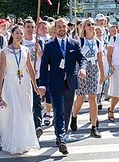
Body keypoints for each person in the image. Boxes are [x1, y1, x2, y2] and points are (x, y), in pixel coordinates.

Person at [39, 18, 87, 155]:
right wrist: (42, 84)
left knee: (67, 111)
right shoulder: (49, 45)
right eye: (59, 26)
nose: (61, 29)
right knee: (58, 111)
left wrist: (82, 69)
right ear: (55, 28)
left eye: (64, 26)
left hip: (70, 82)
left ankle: (62, 135)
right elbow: (43, 66)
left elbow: (82, 59)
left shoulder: (74, 43)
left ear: (67, 28)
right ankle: (61, 138)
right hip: (55, 83)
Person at [0, 26, 40, 154]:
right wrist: (0, 88)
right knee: (14, 110)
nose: (19, 35)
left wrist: (35, 85)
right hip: (11, 82)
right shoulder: (5, 51)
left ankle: (24, 140)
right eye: (17, 33)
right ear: (12, 34)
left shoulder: (26, 50)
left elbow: (29, 68)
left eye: (21, 33)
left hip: (24, 82)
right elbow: (1, 70)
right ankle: (12, 140)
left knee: (24, 111)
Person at [70, 18, 104, 138]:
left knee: (93, 97)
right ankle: (74, 116)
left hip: (94, 69)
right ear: (84, 27)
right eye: (88, 24)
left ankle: (94, 126)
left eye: (93, 24)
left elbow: (100, 59)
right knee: (80, 97)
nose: (91, 26)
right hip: (82, 69)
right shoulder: (79, 41)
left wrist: (103, 74)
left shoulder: (98, 42)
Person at [22, 19, 44, 138]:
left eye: (32, 27)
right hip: (25, 76)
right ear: (24, 28)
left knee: (37, 102)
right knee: (25, 102)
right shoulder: (21, 42)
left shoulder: (39, 41)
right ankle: (26, 125)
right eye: (28, 27)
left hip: (38, 75)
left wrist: (39, 51)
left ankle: (37, 125)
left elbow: (45, 58)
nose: (30, 29)